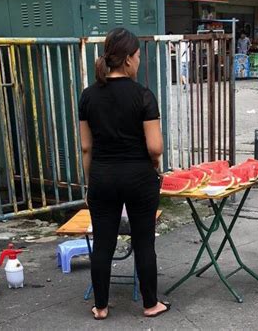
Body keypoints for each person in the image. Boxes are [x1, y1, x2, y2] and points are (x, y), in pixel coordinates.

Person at [79, 28, 170, 319]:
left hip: (103, 177)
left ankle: (101, 306)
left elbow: (85, 148)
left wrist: (90, 181)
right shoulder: (143, 95)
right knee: (144, 241)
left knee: (103, 242)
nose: (139, 62)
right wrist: (154, 167)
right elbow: (155, 147)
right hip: (139, 177)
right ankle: (150, 304)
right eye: (139, 57)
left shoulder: (88, 96)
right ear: (129, 59)